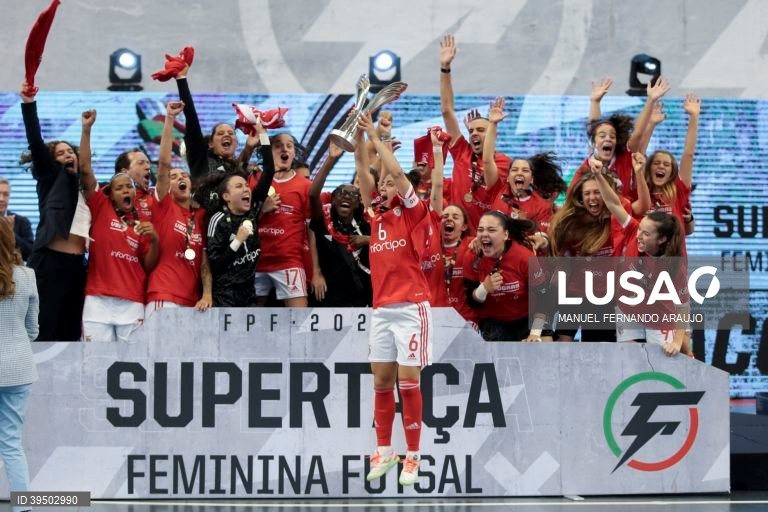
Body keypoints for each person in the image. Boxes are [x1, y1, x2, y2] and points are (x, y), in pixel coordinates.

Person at [356, 111, 432, 487]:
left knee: (408, 382)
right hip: (382, 309)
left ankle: (414, 456)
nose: (383, 186)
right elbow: (360, 167)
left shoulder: (415, 214)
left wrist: (378, 138)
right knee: (381, 382)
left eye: (388, 184)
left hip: (411, 307)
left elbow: (399, 176)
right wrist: (359, 138)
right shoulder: (375, 217)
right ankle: (384, 451)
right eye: (379, 184)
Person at [592, 155, 692, 356]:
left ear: (661, 239)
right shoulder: (633, 231)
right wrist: (598, 175)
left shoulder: (674, 265)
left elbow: (682, 307)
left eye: (646, 233)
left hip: (659, 313)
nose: (639, 235)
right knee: (629, 361)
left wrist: (678, 341)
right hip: (628, 308)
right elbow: (613, 204)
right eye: (640, 230)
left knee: (671, 357)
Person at [78, 110, 160, 342]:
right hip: (97, 301)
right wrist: (86, 130)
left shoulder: (142, 224)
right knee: (95, 363)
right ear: (109, 194)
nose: (125, 190)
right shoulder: (100, 207)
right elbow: (84, 168)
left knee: (133, 364)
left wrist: (154, 239)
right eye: (120, 187)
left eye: (129, 188)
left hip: (132, 301)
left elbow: (149, 263)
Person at [20, 81, 91, 341]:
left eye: (70, 151)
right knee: (43, 330)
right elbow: (36, 142)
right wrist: (29, 104)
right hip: (50, 262)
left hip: (77, 267)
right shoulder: (51, 175)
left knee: (70, 334)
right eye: (60, 154)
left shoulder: (86, 185)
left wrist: (86, 132)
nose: (67, 155)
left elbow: (86, 162)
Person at [548, 165, 644, 342]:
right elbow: (561, 263)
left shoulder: (618, 220)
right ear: (581, 198)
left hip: (604, 298)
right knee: (563, 342)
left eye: (597, 192)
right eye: (587, 194)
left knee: (597, 348)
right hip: (574, 293)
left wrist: (635, 173)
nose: (592, 197)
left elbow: (624, 204)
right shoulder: (571, 224)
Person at [145, 101, 212, 316]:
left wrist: (207, 293)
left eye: (184, 175)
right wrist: (170, 119)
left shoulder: (200, 215)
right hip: (163, 295)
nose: (181, 177)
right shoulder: (163, 206)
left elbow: (204, 259)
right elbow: (164, 164)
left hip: (193, 302)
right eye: (174, 177)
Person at [439, 34, 512, 230]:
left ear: (493, 133)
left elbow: (489, 171)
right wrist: (445, 68)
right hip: (456, 236)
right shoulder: (462, 151)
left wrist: (492, 125)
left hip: (486, 238)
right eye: (471, 130)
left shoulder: (504, 162)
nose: (473, 134)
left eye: (481, 130)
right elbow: (447, 111)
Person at [567, 76, 670, 215]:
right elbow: (594, 129)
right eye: (602, 136)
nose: (608, 139)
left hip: (629, 219)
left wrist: (650, 100)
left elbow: (638, 134)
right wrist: (594, 102)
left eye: (613, 136)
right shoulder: (586, 168)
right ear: (593, 142)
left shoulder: (625, 156)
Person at [206, 119, 276, 307]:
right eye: (239, 187)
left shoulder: (252, 209)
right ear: (226, 196)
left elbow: (269, 170)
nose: (246, 189)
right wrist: (237, 241)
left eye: (246, 185)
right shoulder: (218, 220)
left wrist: (263, 135)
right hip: (224, 297)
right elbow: (215, 266)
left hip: (249, 295)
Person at [0, 219, 39, 512]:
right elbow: (32, 330)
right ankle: (23, 507)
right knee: (11, 444)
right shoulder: (27, 276)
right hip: (19, 368)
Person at [483, 97, 564, 234]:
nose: (519, 172)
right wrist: (492, 124)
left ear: (531, 179)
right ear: (507, 177)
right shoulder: (498, 189)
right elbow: (487, 160)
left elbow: (541, 238)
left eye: (525, 170)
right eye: (514, 169)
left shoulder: (541, 206)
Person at [463, 211, 548, 341]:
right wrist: (484, 289)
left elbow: (543, 298)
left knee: (544, 344)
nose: (484, 234)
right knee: (502, 355)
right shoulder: (472, 256)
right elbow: (471, 301)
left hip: (527, 317)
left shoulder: (524, 257)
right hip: (493, 321)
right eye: (480, 230)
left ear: (506, 235)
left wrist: (535, 334)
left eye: (491, 230)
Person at [308, 142, 372, 307]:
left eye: (352, 195)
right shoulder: (323, 220)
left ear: (358, 203)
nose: (346, 197)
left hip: (360, 298)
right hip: (328, 297)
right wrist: (330, 159)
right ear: (333, 199)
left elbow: (387, 243)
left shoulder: (365, 225)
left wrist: (367, 240)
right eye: (342, 193)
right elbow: (313, 194)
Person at [253, 131, 313, 307]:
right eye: (278, 145)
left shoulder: (305, 186)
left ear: (294, 153)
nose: (284, 149)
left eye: (289, 145)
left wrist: (315, 271)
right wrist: (262, 211)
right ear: (269, 151)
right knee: (247, 323)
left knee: (299, 322)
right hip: (256, 261)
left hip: (289, 262)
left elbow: (311, 230)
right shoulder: (254, 180)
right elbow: (242, 221)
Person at [644, 94, 701, 238]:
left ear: (672, 172)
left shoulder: (678, 191)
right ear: (649, 168)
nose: (661, 166)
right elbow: (638, 153)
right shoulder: (640, 193)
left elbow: (688, 154)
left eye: (666, 164)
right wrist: (650, 124)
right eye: (656, 163)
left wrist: (694, 117)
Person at [0, 178, 34, 262]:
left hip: (14, 271)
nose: (1, 199)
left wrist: (9, 232)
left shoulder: (22, 222)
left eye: (6, 194)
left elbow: (29, 253)